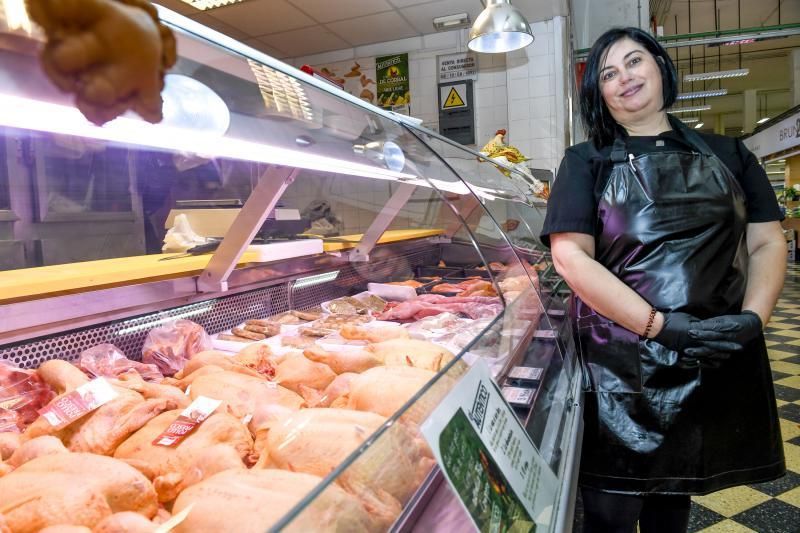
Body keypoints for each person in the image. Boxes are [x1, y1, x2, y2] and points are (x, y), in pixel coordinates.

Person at [541, 27, 786, 532]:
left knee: (674, 504)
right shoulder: (584, 162)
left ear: (660, 65)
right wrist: (658, 325)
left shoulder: (732, 154)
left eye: (634, 62)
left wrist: (752, 319)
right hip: (617, 368)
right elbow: (571, 258)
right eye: (608, 73)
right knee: (608, 512)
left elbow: (766, 242)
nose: (624, 78)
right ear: (599, 94)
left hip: (710, 354)